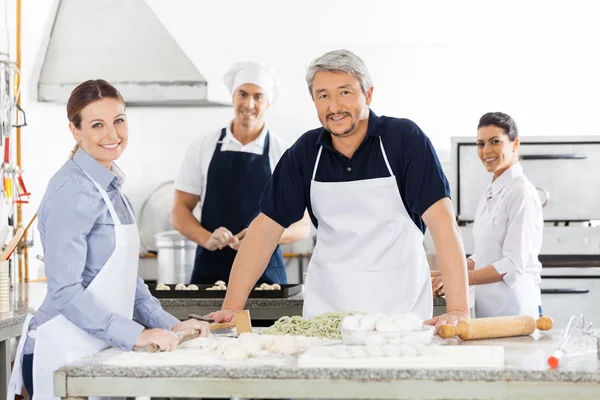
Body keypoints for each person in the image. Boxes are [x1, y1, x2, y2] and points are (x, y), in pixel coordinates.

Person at [209, 49, 470, 327]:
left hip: (398, 313)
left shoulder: (404, 141)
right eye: (323, 96)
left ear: (368, 94)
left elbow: (443, 226)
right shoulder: (305, 153)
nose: (334, 107)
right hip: (326, 312)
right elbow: (265, 230)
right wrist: (232, 306)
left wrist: (458, 309)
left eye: (345, 92)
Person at [7, 80, 210, 400]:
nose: (112, 134)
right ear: (75, 131)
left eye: (119, 120)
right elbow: (65, 291)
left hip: (102, 349)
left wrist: (170, 326)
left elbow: (127, 280)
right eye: (97, 124)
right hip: (64, 352)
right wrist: (137, 335)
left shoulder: (110, 185)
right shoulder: (72, 190)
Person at [172, 61, 311, 285]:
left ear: (268, 103)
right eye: (243, 94)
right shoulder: (202, 146)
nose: (249, 103)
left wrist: (260, 238)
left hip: (265, 275)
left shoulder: (284, 152)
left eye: (258, 96)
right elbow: (179, 211)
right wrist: (206, 238)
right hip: (210, 272)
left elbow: (302, 226)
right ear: (233, 96)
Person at [431, 112, 543, 319]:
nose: (486, 151)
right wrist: (439, 275)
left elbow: (512, 265)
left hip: (517, 311)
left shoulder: (522, 193)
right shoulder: (492, 190)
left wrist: (457, 279)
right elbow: (483, 256)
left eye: (495, 142)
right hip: (489, 311)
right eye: (480, 144)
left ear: (515, 144)